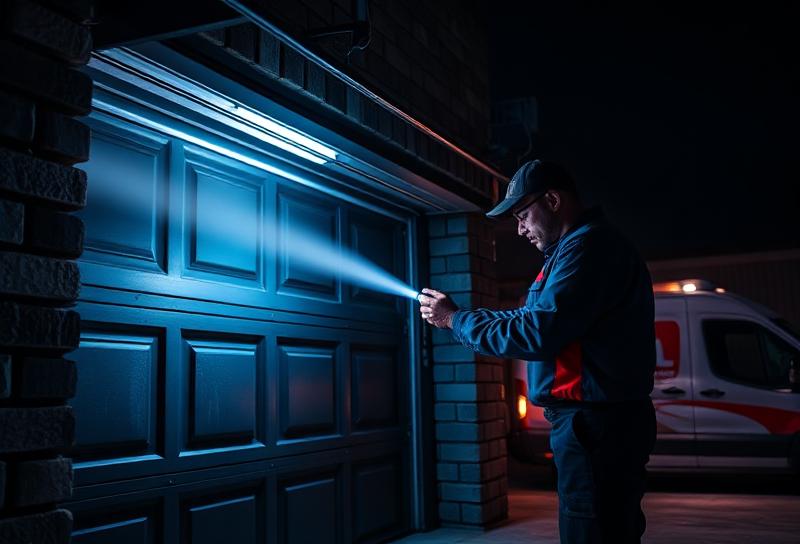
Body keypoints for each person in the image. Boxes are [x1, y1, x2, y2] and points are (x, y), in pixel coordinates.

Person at [418, 159, 657, 544]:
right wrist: (463, 318)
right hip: (598, 423)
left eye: (523, 215)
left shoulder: (588, 248)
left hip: (595, 424)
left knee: (592, 532)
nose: (520, 229)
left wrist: (454, 321)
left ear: (553, 200)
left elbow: (537, 332)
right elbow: (535, 318)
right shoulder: (574, 251)